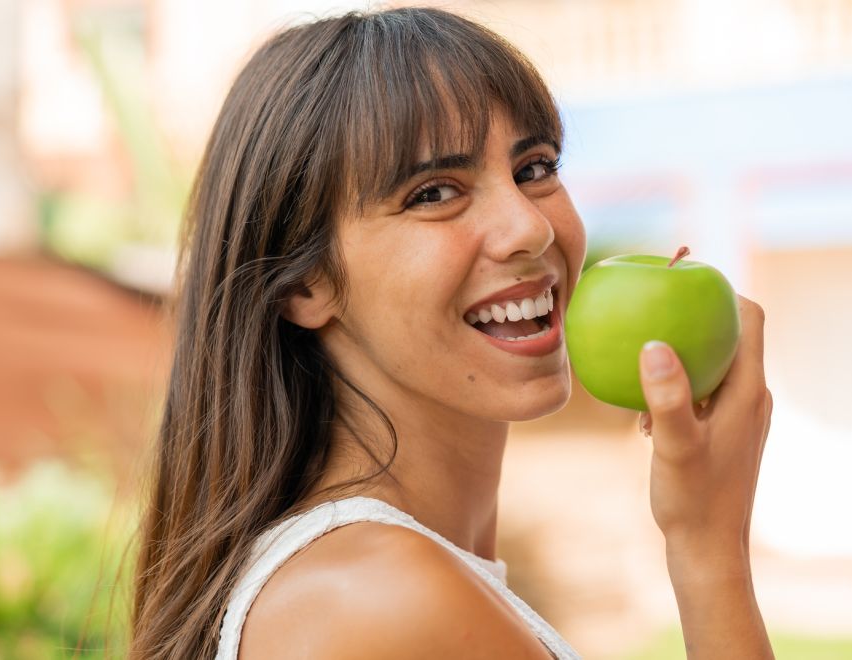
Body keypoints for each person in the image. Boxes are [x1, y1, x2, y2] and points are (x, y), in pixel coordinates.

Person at [128, 7, 774, 659]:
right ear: (305, 284)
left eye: (535, 168)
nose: (531, 227)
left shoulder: (391, 575)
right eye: (435, 193)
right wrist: (708, 551)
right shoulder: (381, 599)